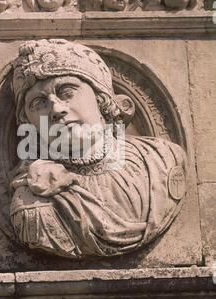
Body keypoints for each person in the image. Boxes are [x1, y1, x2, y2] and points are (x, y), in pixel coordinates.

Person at [10, 39, 187, 258]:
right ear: (30, 125)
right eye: (39, 103)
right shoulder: (32, 204)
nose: (56, 109)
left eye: (66, 91)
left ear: (101, 98)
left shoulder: (161, 160)